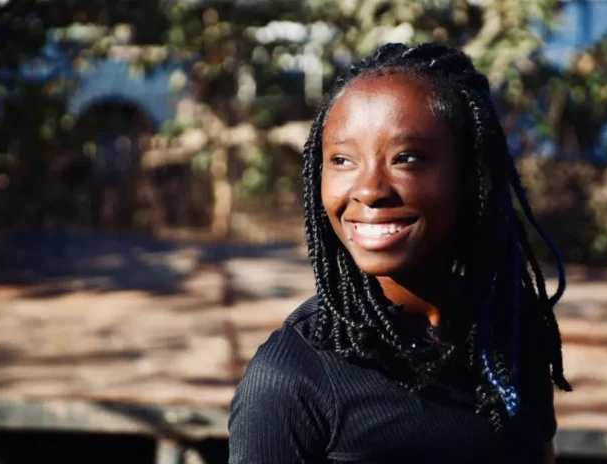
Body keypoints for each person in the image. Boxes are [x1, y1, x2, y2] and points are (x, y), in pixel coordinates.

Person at [228, 42, 572, 463]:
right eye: (342, 159)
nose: (370, 190)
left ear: (471, 177)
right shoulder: (292, 379)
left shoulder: (511, 329)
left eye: (406, 158)